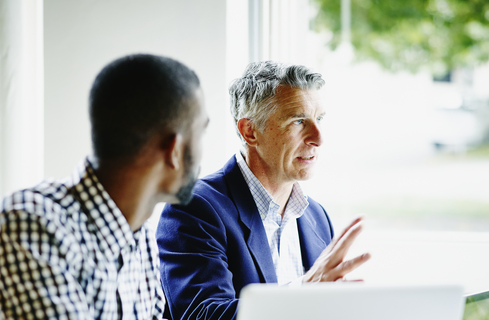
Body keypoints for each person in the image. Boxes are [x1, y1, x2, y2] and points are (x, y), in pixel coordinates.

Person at [0, 54, 209, 320]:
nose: (202, 152)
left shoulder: (139, 239)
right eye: (201, 132)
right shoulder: (30, 227)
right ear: (174, 149)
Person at [156, 61, 371, 320]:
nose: (318, 137)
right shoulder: (195, 208)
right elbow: (204, 315)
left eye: (319, 119)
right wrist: (304, 292)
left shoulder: (316, 216)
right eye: (298, 121)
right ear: (250, 131)